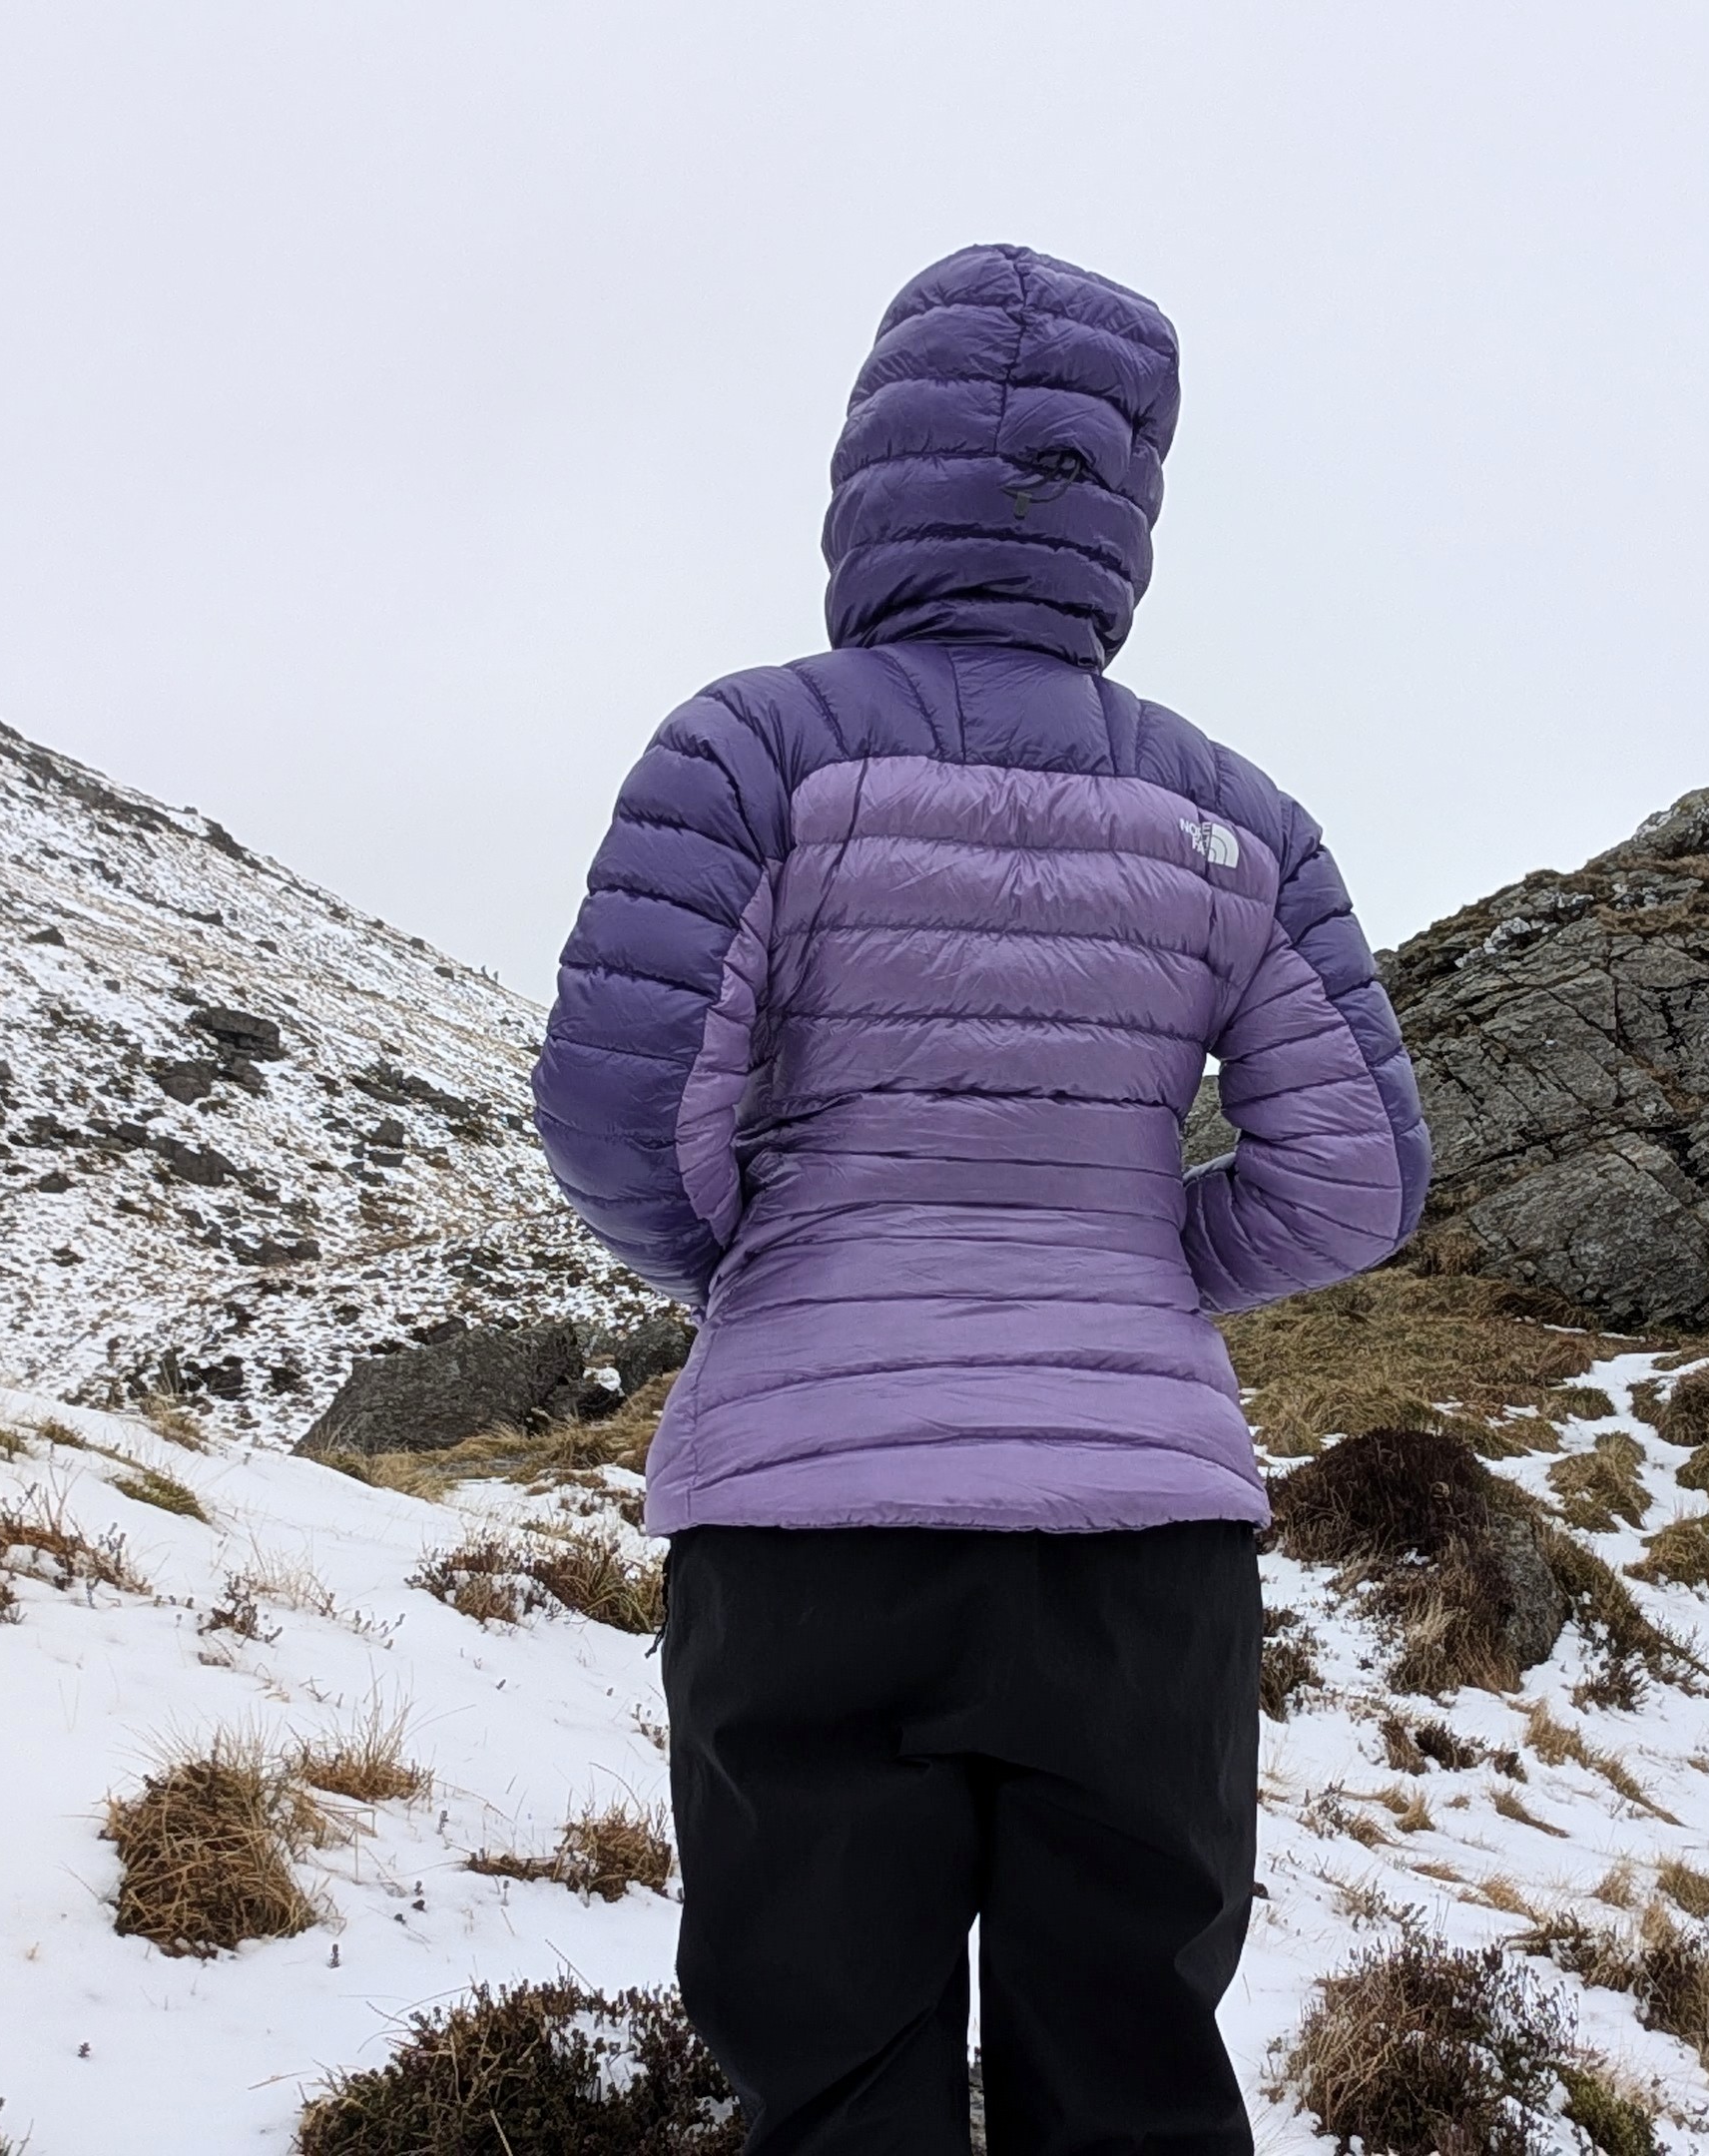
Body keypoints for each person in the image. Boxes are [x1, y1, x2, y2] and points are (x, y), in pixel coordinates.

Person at [533, 244, 1429, 2156]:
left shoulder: (754, 747)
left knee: (834, 2069)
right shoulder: (1242, 817)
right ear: (1129, 510)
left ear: (872, 468)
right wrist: (1141, 1272)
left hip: (805, 1525)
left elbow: (618, 1103)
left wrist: (769, 1269)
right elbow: (1357, 1176)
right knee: (1130, 2070)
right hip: (1140, 1551)